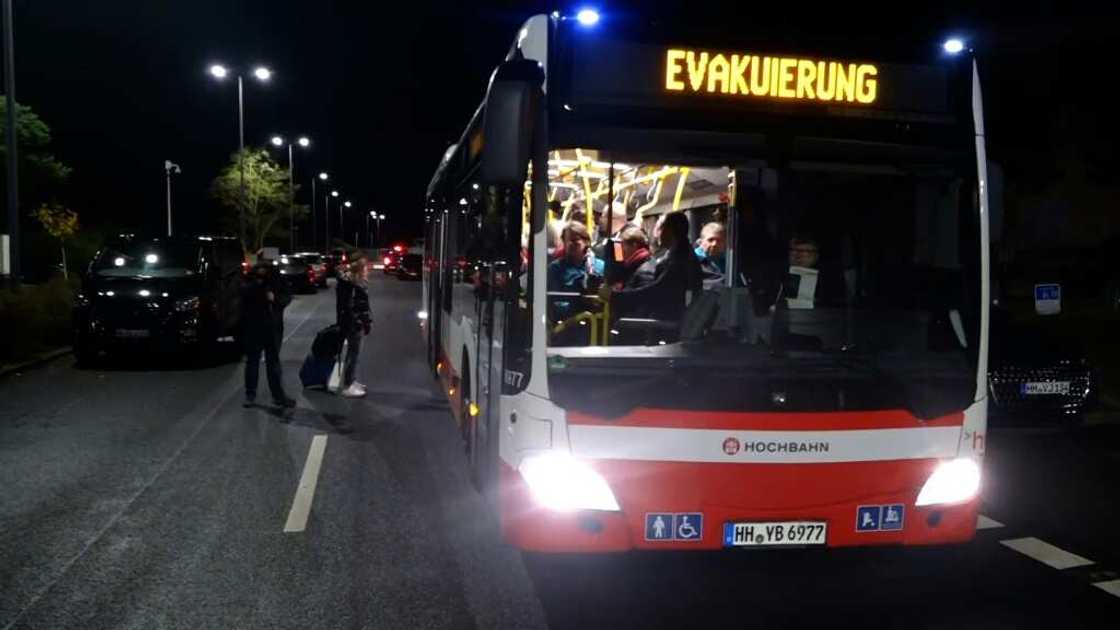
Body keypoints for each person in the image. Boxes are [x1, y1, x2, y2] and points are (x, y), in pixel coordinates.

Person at [609, 212, 702, 322]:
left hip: (665, 323)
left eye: (661, 229)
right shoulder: (680, 255)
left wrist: (616, 297)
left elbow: (656, 291)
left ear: (670, 231)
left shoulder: (679, 259)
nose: (658, 234)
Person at [242, 260, 295, 408]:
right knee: (253, 361)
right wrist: (257, 286)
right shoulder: (251, 279)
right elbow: (242, 295)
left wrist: (275, 299)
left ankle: (278, 396)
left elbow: (286, 296)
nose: (263, 271)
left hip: (273, 327)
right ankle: (250, 395)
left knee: (273, 363)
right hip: (254, 327)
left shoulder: (276, 278)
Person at [335, 255, 372, 398]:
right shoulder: (353, 285)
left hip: (353, 322)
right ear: (359, 270)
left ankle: (351, 380)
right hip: (353, 324)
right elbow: (354, 307)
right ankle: (348, 385)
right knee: (353, 354)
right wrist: (361, 321)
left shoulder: (352, 283)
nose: (367, 271)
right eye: (365, 268)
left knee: (354, 353)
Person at [610, 225, 652, 289]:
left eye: (623, 245)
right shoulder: (631, 264)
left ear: (634, 245)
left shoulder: (645, 272)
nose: (619, 249)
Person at [694, 222, 727, 288]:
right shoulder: (692, 261)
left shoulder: (731, 262)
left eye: (719, 240)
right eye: (710, 240)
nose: (714, 244)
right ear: (701, 242)